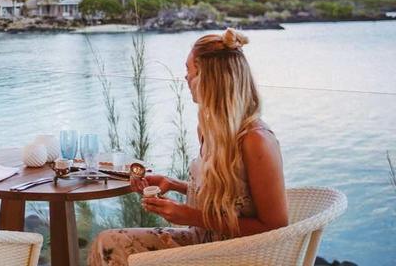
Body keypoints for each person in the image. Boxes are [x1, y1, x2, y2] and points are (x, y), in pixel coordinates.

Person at [88, 28, 288, 265]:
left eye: (189, 70)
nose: (185, 78)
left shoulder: (256, 140)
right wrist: (173, 185)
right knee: (108, 243)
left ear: (209, 79)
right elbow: (227, 197)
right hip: (203, 242)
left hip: (236, 254)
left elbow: (276, 226)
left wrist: (192, 216)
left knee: (111, 246)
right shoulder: (210, 129)